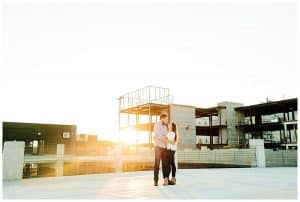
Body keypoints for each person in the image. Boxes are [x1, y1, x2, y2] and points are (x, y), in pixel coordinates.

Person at [153, 113, 168, 186]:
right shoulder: (156, 125)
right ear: (162, 118)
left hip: (164, 147)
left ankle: (165, 179)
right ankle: (155, 181)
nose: (166, 120)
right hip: (158, 147)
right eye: (166, 119)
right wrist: (164, 139)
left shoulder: (165, 127)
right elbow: (158, 135)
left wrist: (165, 139)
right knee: (157, 164)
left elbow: (166, 136)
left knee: (165, 164)